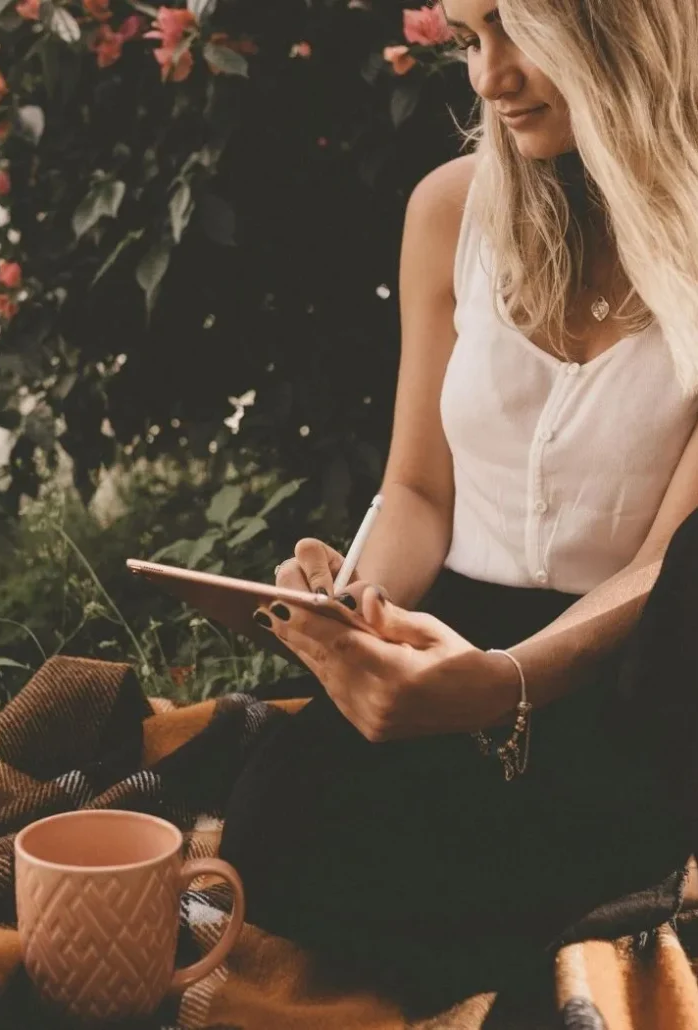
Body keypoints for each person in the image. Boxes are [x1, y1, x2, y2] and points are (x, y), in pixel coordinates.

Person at [219, 0, 698, 1015]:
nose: (488, 78)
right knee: (274, 827)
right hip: (447, 635)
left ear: (620, 30)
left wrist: (503, 687)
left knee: (519, 873)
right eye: (472, 39)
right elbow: (419, 490)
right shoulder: (450, 209)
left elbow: (668, 558)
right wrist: (357, 614)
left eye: (517, 34)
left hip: (629, 665)